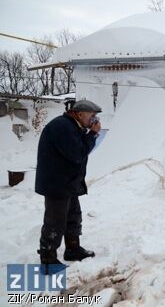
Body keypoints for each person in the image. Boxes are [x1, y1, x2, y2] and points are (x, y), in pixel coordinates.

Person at [35, 99, 102, 273]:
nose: (94, 120)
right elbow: (77, 153)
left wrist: (89, 133)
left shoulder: (73, 126)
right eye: (92, 116)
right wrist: (93, 135)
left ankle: (72, 249)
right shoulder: (62, 127)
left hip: (67, 182)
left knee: (73, 216)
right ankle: (48, 259)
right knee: (55, 221)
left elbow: (78, 151)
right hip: (56, 183)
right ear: (79, 114)